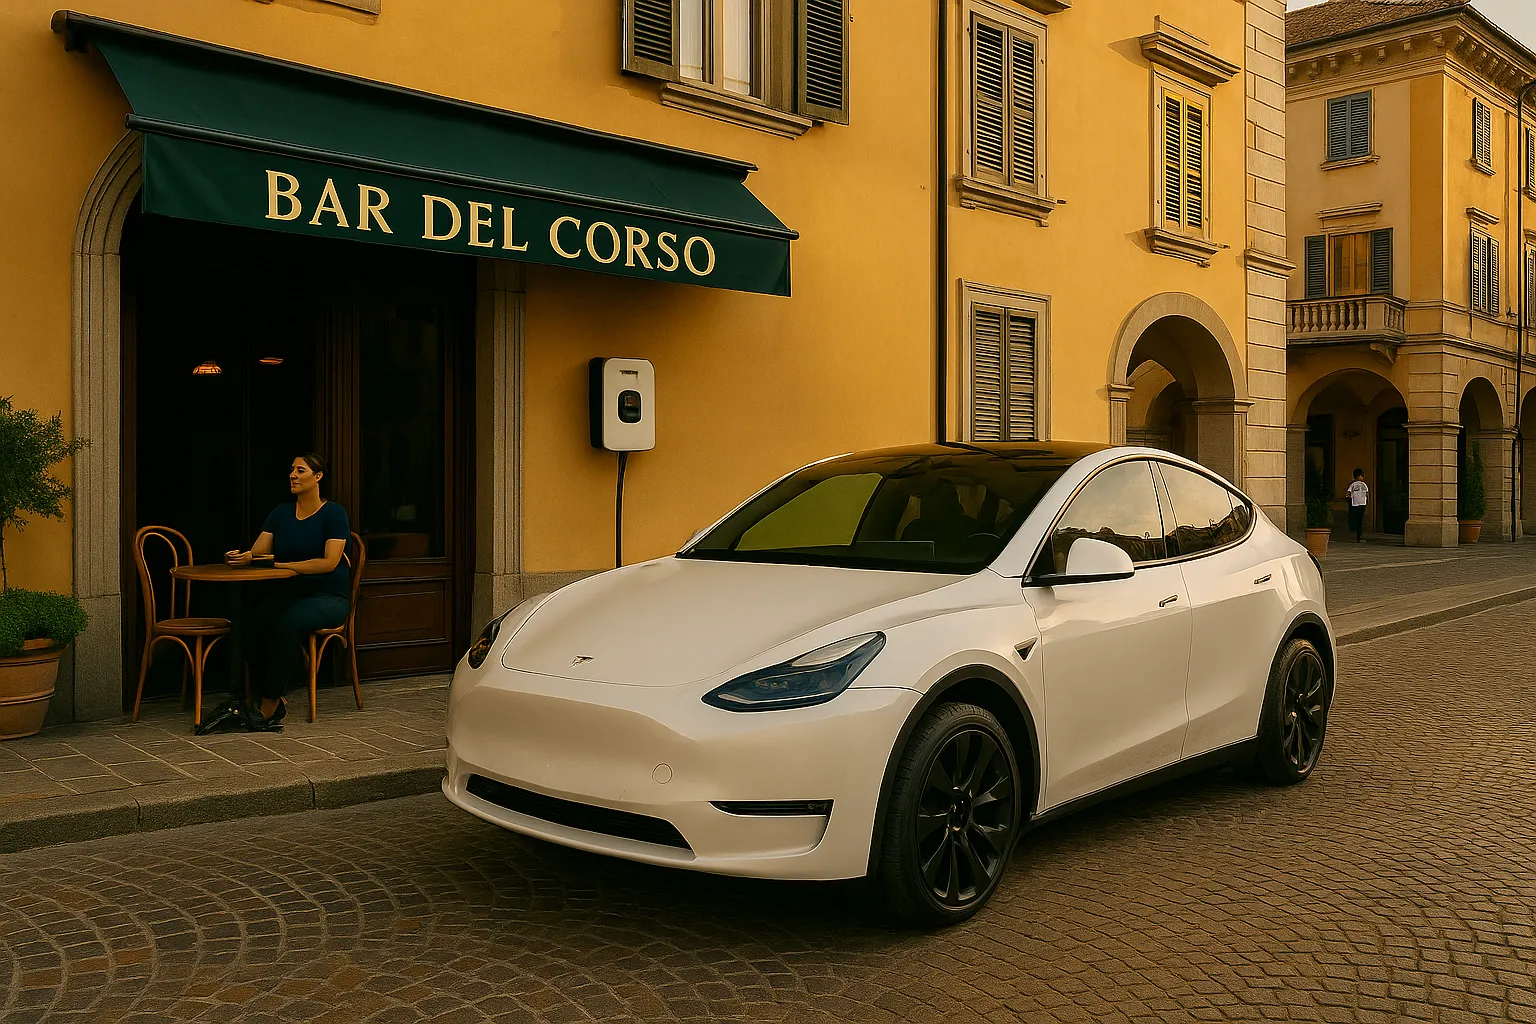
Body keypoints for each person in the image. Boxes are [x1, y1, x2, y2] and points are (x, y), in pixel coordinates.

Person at [226, 453, 351, 722]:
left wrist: (286, 566)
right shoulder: (281, 513)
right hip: (292, 595)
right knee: (254, 619)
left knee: (286, 623)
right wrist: (246, 557)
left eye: (300, 470)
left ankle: (270, 705)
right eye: (292, 470)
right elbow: (260, 554)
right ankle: (271, 693)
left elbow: (329, 563)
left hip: (329, 597)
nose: (293, 475)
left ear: (317, 477)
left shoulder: (334, 514)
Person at [1346, 468, 1369, 542]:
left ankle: (1359, 536)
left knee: (1359, 519)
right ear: (1358, 476)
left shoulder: (1363, 484)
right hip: (1357, 504)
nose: (1362, 477)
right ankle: (1357, 534)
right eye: (1361, 476)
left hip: (1359, 503)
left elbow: (1367, 494)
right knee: (1358, 519)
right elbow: (1348, 494)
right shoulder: (1354, 485)